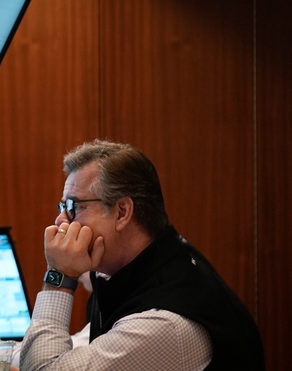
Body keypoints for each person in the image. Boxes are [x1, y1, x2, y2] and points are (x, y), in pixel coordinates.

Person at [18, 139, 264, 371]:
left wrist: (60, 276)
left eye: (74, 206)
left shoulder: (164, 323)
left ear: (122, 212)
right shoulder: (148, 264)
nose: (61, 221)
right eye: (63, 207)